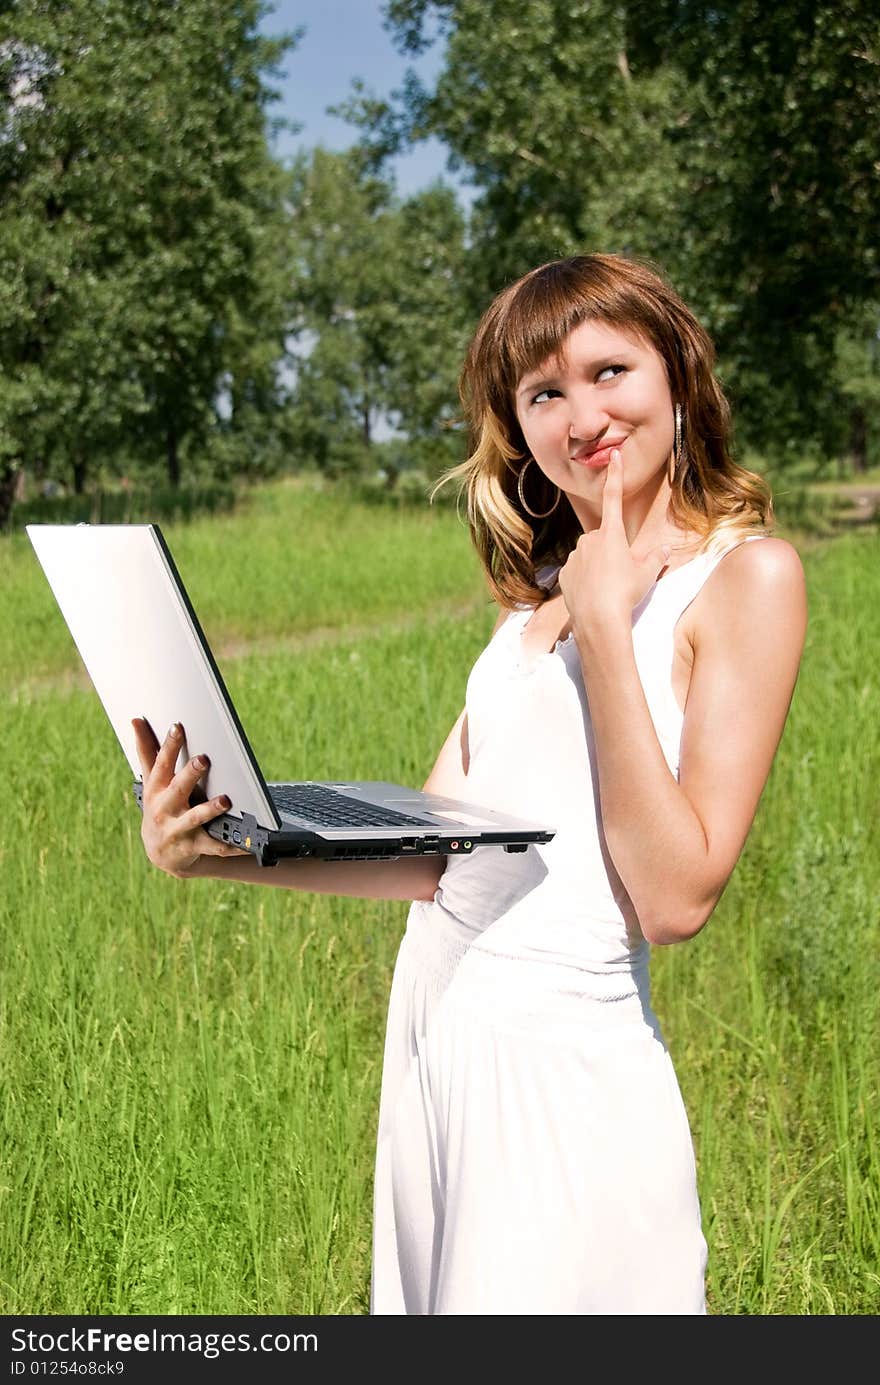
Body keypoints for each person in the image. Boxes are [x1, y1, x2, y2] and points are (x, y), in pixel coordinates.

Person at [133, 253, 808, 1315]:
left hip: (562, 1074)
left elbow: (677, 898)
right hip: (441, 1040)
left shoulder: (745, 577)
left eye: (608, 370)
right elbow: (437, 863)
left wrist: (605, 623)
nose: (581, 413)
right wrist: (214, 853)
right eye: (544, 392)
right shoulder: (529, 602)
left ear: (677, 373)